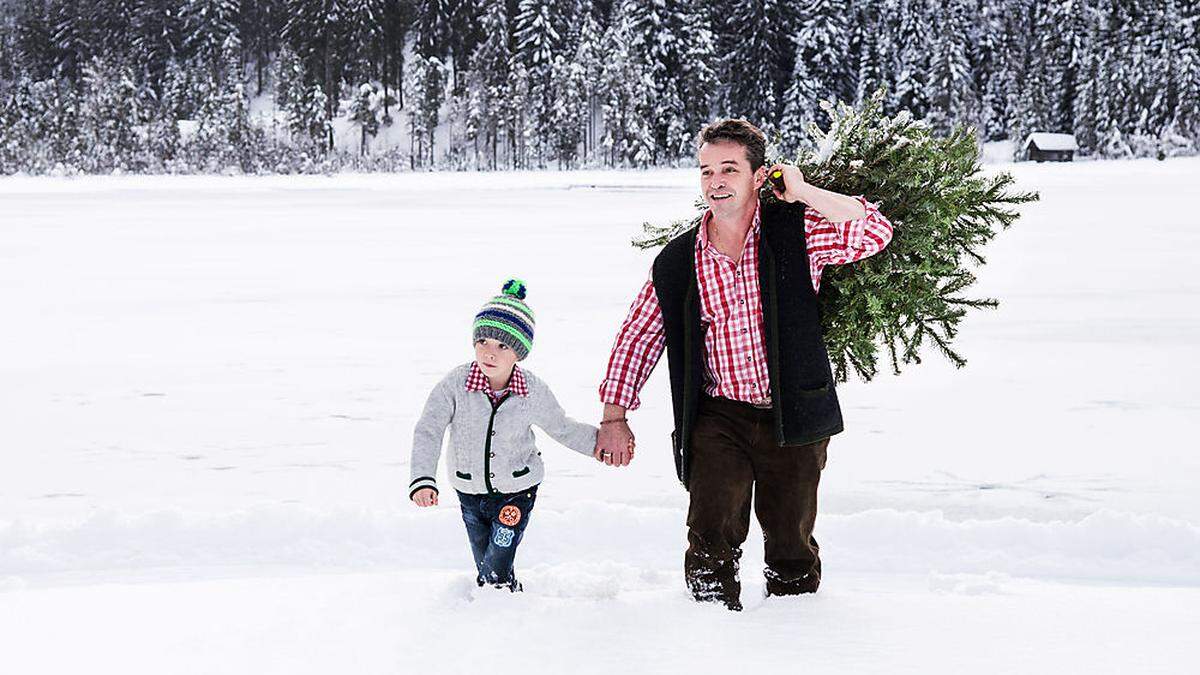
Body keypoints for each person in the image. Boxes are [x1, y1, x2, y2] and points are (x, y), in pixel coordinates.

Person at [594, 119, 894, 610]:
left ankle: (794, 632)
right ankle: (709, 634)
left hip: (791, 413)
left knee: (791, 543)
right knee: (710, 534)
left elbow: (873, 231)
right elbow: (640, 333)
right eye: (706, 170)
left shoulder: (796, 232)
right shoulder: (678, 260)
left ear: (758, 176)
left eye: (729, 169)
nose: (715, 180)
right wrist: (613, 415)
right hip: (718, 418)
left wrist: (801, 190)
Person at [409, 279, 608, 592]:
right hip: (469, 490)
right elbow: (429, 429)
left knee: (497, 562)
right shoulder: (455, 385)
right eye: (483, 341)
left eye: (502, 346)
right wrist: (423, 478)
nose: (490, 352)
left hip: (517, 489)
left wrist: (602, 445)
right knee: (484, 558)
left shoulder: (532, 391)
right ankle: (506, 599)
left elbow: (562, 427)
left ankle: (500, 604)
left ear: (519, 352)